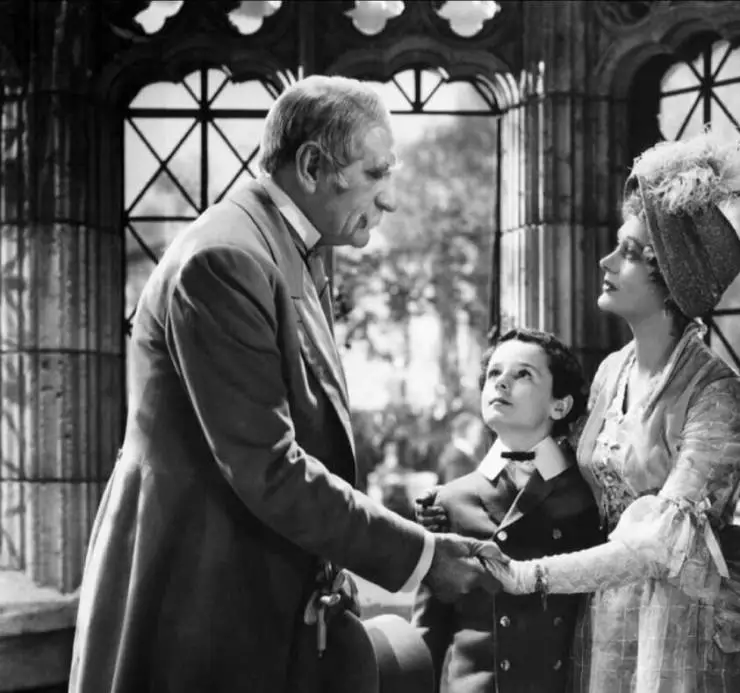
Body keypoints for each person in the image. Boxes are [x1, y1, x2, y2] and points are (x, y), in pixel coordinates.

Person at [68, 75, 501, 693]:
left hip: (251, 584)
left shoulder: (287, 248)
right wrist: (424, 557)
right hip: (198, 589)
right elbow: (267, 467)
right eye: (376, 173)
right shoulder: (226, 259)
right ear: (313, 166)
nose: (389, 200)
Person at [478, 130, 740, 692]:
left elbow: (658, 548)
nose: (606, 260)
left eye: (629, 252)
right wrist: (477, 497)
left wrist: (531, 576)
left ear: (670, 278)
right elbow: (562, 476)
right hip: (601, 618)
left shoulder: (716, 394)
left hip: (677, 633)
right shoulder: (610, 372)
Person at [414, 328, 603, 692]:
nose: (501, 383)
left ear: (560, 405)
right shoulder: (448, 501)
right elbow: (428, 632)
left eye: (523, 374)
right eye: (493, 374)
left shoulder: (589, 495)